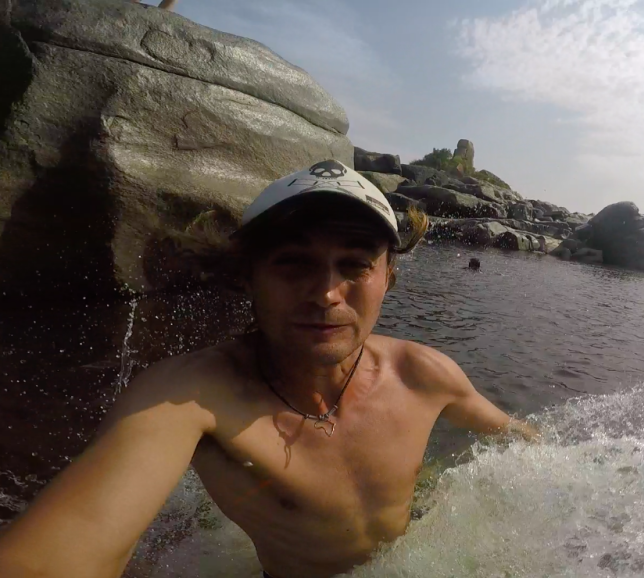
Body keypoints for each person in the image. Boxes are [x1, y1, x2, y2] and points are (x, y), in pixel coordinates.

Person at [0, 160, 538, 578]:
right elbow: (66, 550)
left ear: (388, 279)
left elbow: (519, 438)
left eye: (355, 265)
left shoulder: (424, 374)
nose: (327, 293)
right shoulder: (191, 396)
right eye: (292, 263)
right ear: (248, 275)